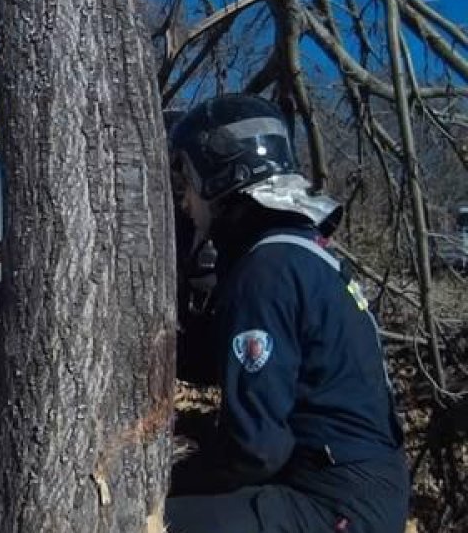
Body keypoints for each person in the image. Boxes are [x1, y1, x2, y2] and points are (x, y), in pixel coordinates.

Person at [165, 94, 409, 533]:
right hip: (360, 485)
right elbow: (215, 359)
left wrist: (164, 481)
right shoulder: (296, 251)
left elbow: (257, 449)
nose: (184, 203)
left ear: (217, 179)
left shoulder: (267, 269)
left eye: (187, 184)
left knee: (143, 520)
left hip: (333, 501)